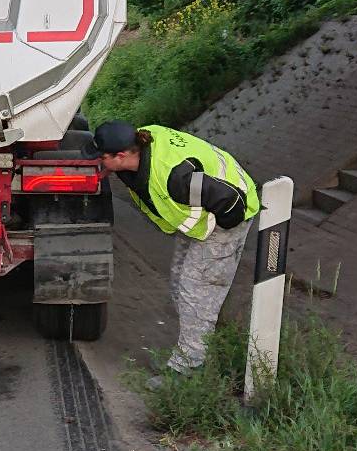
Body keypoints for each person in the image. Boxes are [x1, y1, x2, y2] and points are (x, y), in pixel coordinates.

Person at [93, 120, 260, 373]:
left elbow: (230, 201)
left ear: (121, 155)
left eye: (101, 157)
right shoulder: (142, 143)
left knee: (196, 288)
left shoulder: (173, 176)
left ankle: (188, 369)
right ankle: (205, 340)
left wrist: (221, 232)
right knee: (181, 284)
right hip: (202, 218)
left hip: (227, 215)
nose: (98, 161)